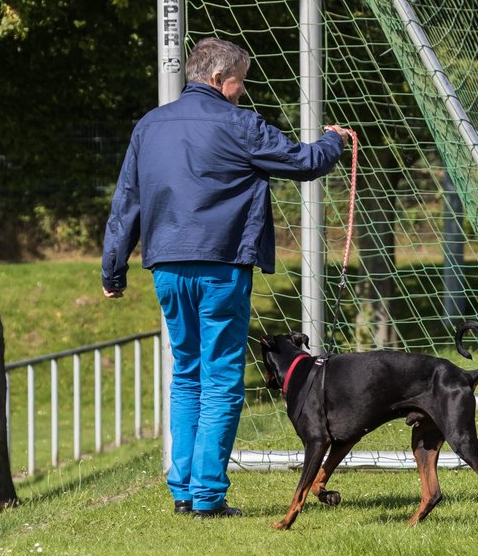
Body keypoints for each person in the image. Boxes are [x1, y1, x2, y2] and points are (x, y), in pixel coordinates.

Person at [102, 37, 351, 518]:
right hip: (220, 267)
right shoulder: (239, 124)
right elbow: (304, 162)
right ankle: (208, 496)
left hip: (167, 269)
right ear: (219, 79)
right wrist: (333, 141)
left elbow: (126, 203)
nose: (242, 90)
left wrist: (113, 269)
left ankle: (183, 490)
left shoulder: (149, 125)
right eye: (241, 80)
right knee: (220, 379)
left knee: (186, 374)